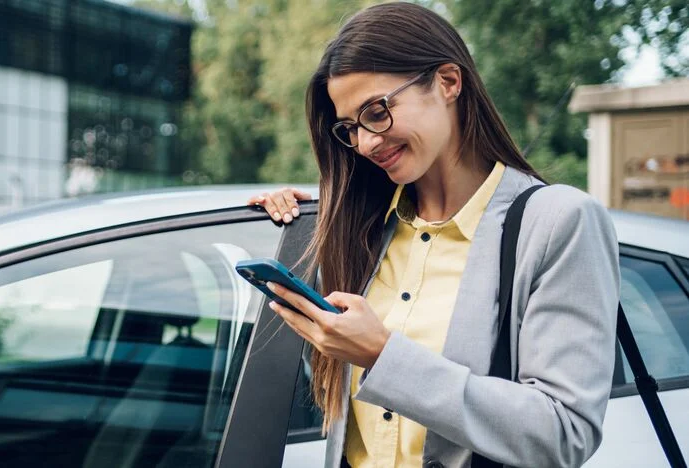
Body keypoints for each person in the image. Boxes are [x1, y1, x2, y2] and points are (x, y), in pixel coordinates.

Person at [247, 3, 619, 468]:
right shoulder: (363, 227)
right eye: (349, 128)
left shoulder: (559, 222)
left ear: (448, 82)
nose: (364, 143)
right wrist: (300, 219)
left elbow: (565, 432)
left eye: (376, 111)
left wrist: (383, 355)